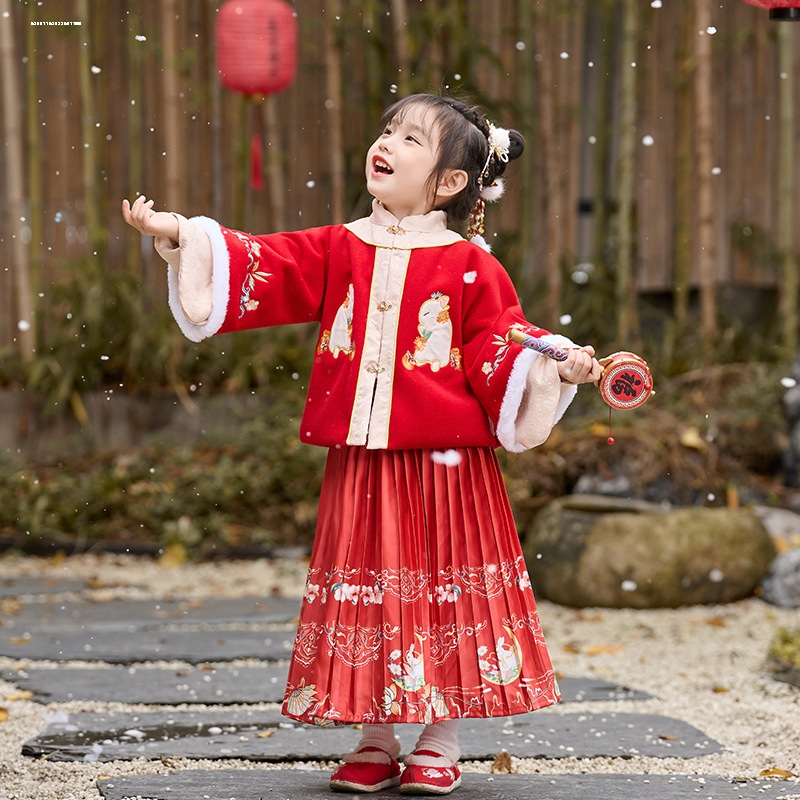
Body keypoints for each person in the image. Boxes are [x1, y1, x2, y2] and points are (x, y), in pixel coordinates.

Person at [122, 93, 601, 796]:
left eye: (412, 139)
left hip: (447, 467)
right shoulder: (338, 247)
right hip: (362, 461)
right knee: (364, 590)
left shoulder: (471, 265)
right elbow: (263, 261)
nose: (388, 143)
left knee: (441, 592)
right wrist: (182, 234)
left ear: (450, 182)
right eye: (388, 130)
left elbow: (503, 343)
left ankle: (440, 736)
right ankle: (375, 735)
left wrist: (553, 365)